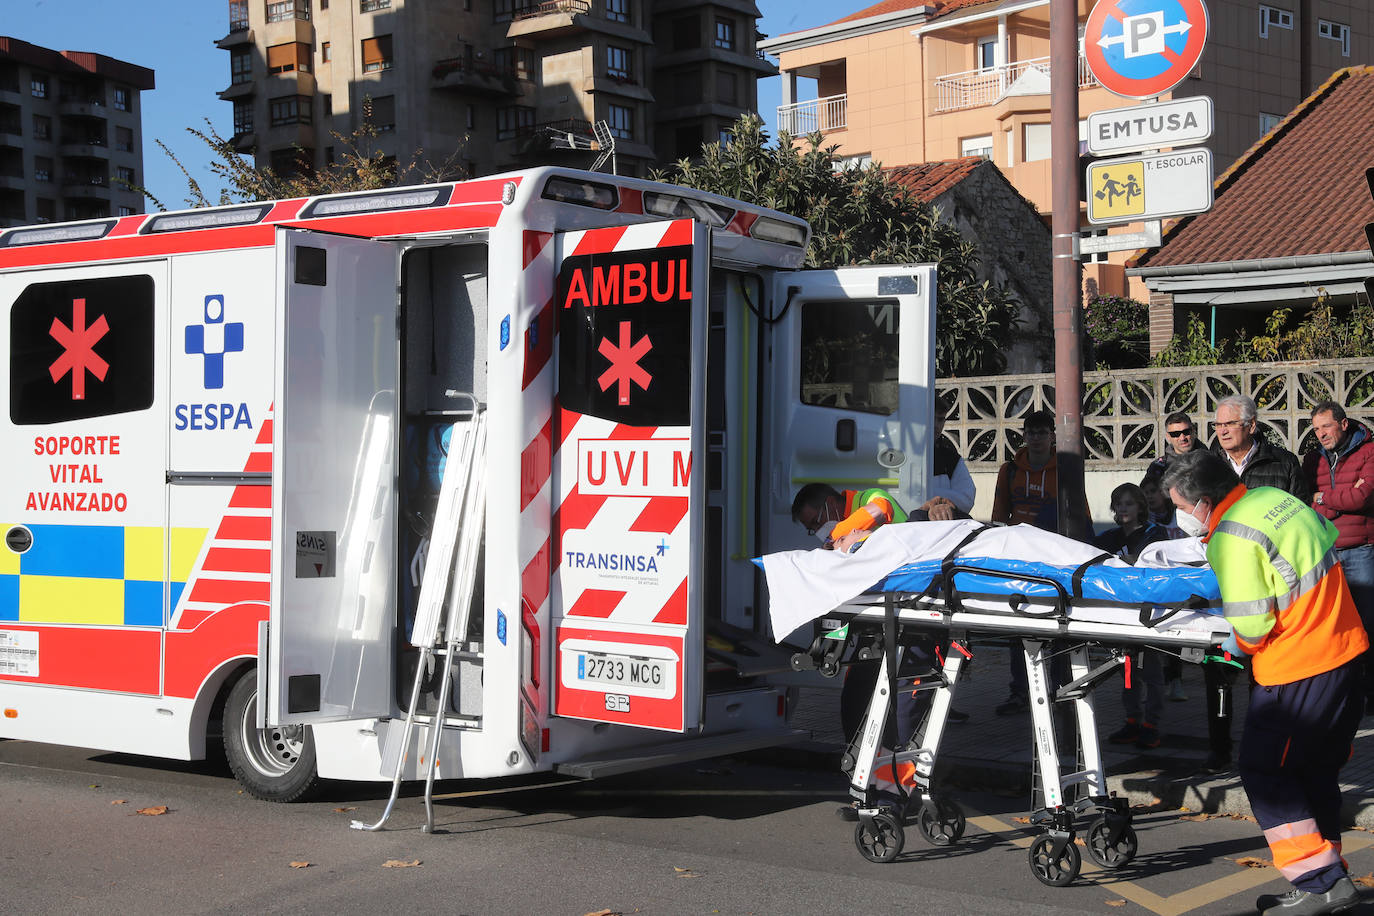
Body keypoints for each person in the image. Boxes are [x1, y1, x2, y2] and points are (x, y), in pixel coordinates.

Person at [1162, 450, 1367, 916]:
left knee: (1264, 772)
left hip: (1295, 671)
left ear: (1204, 502)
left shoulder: (1230, 538)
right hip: (1344, 652)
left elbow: (1252, 631)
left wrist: (1227, 641)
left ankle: (1320, 882)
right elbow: (1322, 546)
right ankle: (1328, 878)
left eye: (1179, 505)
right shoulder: (1276, 498)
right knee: (1312, 772)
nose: (1179, 516)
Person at [1199, 394, 1312, 773]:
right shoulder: (1210, 467)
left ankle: (1269, 747)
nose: (1222, 431)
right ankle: (1219, 749)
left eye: (1229, 424)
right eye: (1217, 425)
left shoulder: (1282, 463)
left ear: (1251, 425)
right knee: (1219, 665)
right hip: (1224, 581)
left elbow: (1300, 515)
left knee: (1267, 671)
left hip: (1273, 582)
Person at [989, 409, 1088, 715]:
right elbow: (998, 516)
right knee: (1018, 624)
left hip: (1054, 558)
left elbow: (1079, 512)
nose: (1035, 439)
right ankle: (1020, 691)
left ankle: (1058, 686)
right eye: (1030, 433)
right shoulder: (1009, 471)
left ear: (1052, 436)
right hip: (1020, 559)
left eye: (1041, 433)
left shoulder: (1065, 468)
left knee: (1056, 624)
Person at [1303, 400, 1374, 712]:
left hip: (1361, 551)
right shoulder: (1312, 459)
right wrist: (1325, 499)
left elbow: (1362, 496)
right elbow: (1306, 501)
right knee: (1331, 628)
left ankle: (1368, 696)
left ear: (1344, 424)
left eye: (1326, 426)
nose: (1321, 434)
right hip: (1325, 553)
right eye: (1316, 429)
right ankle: (1341, 695)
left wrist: (1324, 498)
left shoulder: (1369, 451)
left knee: (1366, 627)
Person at [1097, 483, 1172, 749]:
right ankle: (1132, 721)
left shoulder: (1154, 533)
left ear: (1140, 506)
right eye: (1119, 504)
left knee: (1151, 672)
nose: (1123, 508)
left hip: (1148, 613)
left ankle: (1152, 724)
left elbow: (1146, 565)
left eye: (1129, 503)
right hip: (1120, 614)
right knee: (1126, 669)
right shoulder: (1109, 537)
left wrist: (1121, 564)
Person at [925, 413, 976, 521]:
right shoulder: (895, 455)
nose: (935, 425)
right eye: (930, 418)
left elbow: (966, 499)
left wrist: (933, 499)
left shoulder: (951, 459)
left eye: (940, 419)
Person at [1143, 411, 1203, 486]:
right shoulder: (1159, 467)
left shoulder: (1210, 460)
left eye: (1186, 432)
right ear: (1168, 437)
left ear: (1193, 430)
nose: (1182, 438)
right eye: (1175, 434)